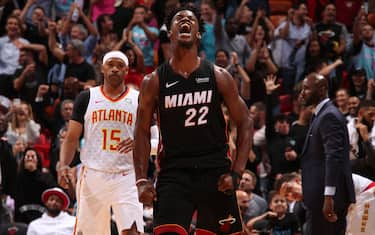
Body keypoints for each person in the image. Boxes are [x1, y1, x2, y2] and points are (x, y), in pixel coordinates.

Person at [134, 5, 252, 235]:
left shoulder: (218, 76)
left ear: (198, 34)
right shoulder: (154, 81)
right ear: (170, 32)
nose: (185, 22)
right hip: (174, 172)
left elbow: (245, 122)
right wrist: (141, 180)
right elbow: (141, 131)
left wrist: (237, 172)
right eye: (179, 19)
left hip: (215, 171)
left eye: (190, 20)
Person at [59, 51, 143, 235]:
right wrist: (63, 165)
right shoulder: (86, 97)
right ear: (103, 68)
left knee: (133, 231)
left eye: (120, 66)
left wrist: (140, 143)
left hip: (127, 176)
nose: (115, 69)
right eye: (111, 65)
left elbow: (155, 136)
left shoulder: (138, 99)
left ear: (126, 71)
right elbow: (72, 137)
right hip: (93, 175)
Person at [299, 73, 355, 234]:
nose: (302, 93)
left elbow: (333, 157)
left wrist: (328, 196)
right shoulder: (321, 114)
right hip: (319, 197)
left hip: (327, 198)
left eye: (306, 89)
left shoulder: (328, 115)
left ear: (322, 90)